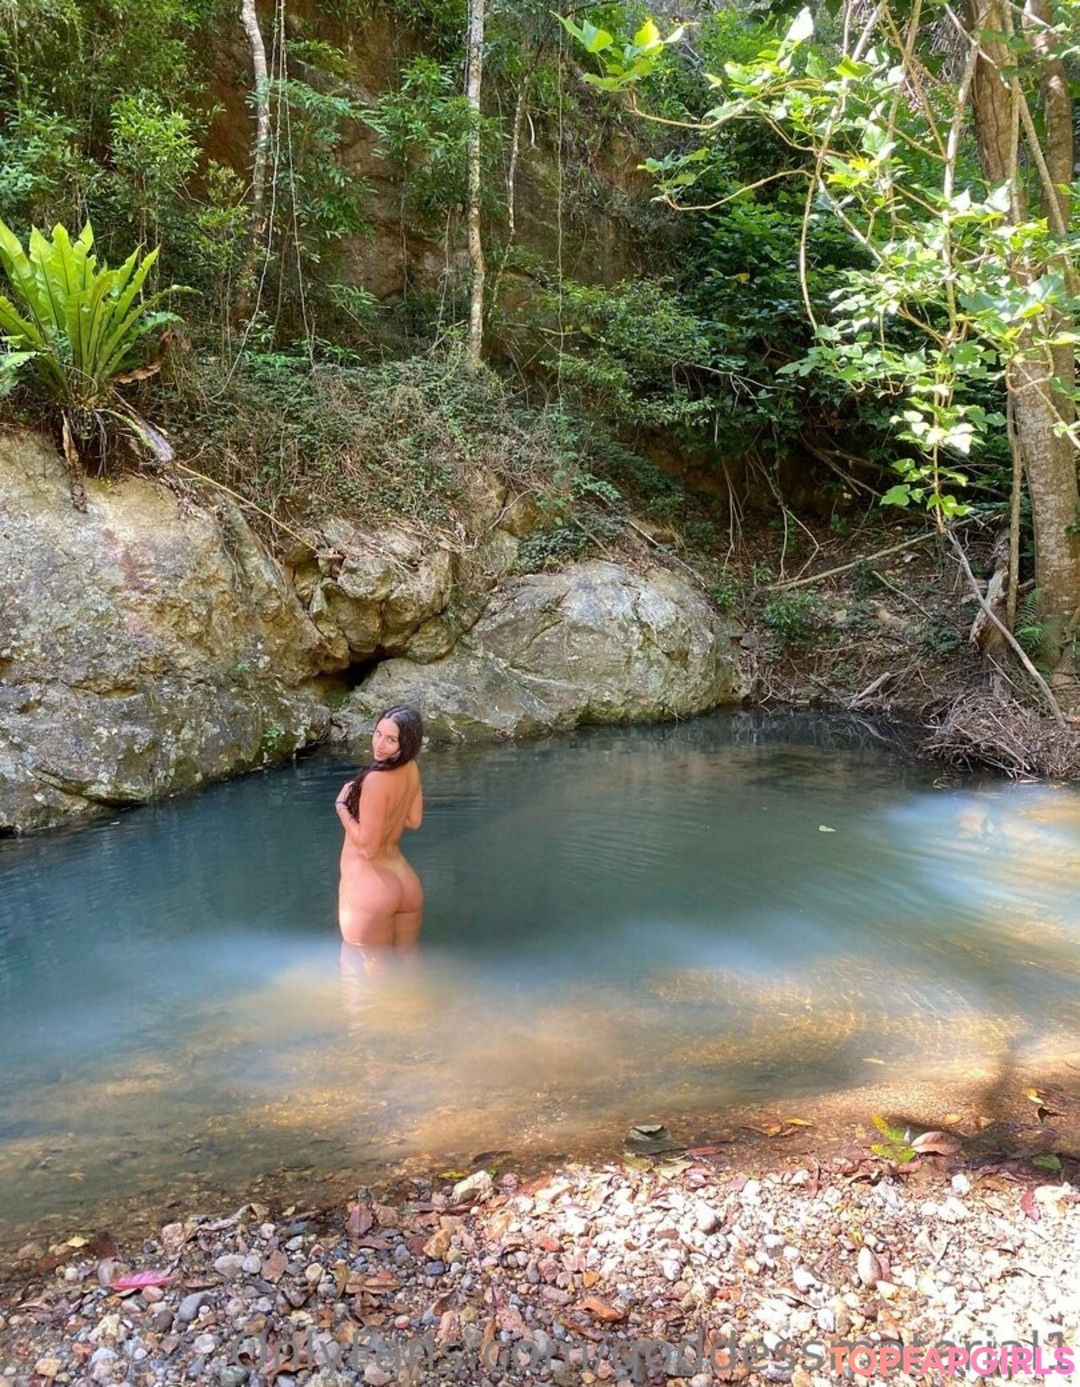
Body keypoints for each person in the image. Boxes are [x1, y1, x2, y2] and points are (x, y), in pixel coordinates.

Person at [335, 705, 424, 971]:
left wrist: (341, 807)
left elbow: (368, 848)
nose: (379, 744)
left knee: (364, 977)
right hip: (405, 882)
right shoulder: (411, 768)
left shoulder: (375, 780)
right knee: (408, 961)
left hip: (371, 889)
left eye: (391, 739)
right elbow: (414, 820)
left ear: (405, 743)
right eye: (378, 734)